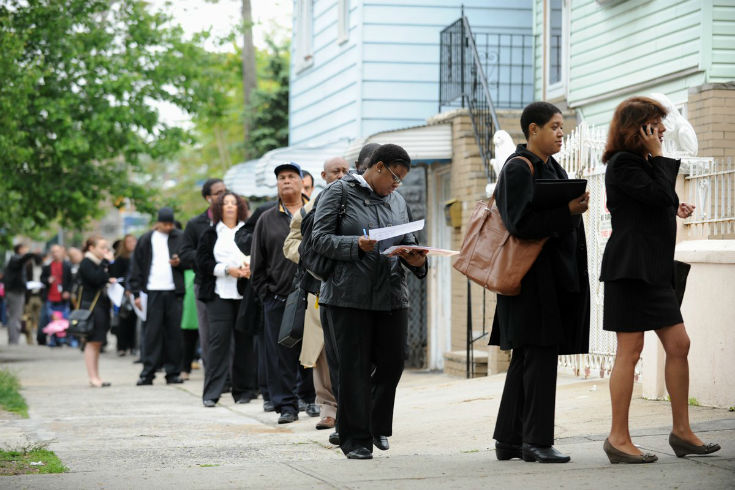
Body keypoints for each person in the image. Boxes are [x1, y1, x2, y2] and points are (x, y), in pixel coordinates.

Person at [599, 96, 720, 463]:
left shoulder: (643, 163)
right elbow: (655, 193)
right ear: (640, 129)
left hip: (653, 270)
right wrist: (662, 174)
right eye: (657, 124)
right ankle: (618, 438)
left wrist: (674, 205)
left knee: (679, 344)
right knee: (630, 350)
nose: (664, 130)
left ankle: (682, 432)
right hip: (630, 270)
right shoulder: (622, 164)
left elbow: (656, 199)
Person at [311, 144, 428, 460]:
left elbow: (408, 240)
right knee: (354, 369)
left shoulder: (397, 199)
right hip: (348, 296)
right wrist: (356, 245)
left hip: (391, 294)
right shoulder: (339, 193)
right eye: (395, 176)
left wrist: (416, 259)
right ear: (377, 167)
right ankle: (356, 439)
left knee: (393, 362)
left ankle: (374, 424)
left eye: (401, 179)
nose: (397, 184)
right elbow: (318, 240)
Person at [489, 102, 590, 464]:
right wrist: (567, 211)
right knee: (540, 358)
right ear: (533, 130)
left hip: (547, 279)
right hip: (530, 282)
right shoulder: (518, 168)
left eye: (563, 127)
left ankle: (510, 441)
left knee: (527, 360)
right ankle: (537, 442)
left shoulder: (551, 166)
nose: (561, 132)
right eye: (554, 126)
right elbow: (519, 223)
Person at [283, 156, 350, 432]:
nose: (342, 175)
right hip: (320, 290)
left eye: (346, 170)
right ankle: (328, 408)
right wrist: (313, 260)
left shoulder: (361, 201)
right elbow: (291, 244)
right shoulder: (311, 208)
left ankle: (353, 408)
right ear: (324, 175)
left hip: (353, 290)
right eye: (336, 171)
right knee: (323, 352)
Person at [251, 162, 316, 424]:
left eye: (291, 176)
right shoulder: (266, 218)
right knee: (280, 356)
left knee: (312, 351)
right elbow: (258, 262)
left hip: (313, 296)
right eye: (281, 178)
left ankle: (311, 399)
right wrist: (266, 292)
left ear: (302, 182)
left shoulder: (317, 211)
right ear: (276, 184)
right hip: (278, 298)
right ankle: (286, 406)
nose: (286, 181)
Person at [196, 191, 258, 406]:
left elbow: (261, 255)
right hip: (219, 293)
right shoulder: (211, 233)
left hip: (244, 293)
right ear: (219, 207)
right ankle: (211, 393)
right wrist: (225, 269)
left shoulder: (249, 231)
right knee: (218, 342)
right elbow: (202, 262)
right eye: (226, 203)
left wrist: (251, 268)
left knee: (244, 342)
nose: (230, 206)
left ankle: (243, 392)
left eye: (234, 203)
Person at [128, 207, 186, 386]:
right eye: (165, 224)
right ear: (158, 223)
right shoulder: (146, 239)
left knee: (174, 333)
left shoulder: (180, 237)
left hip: (173, 290)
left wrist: (180, 262)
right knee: (151, 333)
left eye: (171, 224)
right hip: (152, 290)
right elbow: (136, 266)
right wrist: (136, 292)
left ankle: (173, 372)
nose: (168, 227)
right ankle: (148, 372)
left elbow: (190, 259)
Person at [179, 178, 226, 370]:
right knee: (208, 333)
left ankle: (233, 377)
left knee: (230, 332)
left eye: (225, 191)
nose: (223, 196)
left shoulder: (238, 220)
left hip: (233, 282)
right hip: (206, 284)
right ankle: (213, 374)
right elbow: (184, 253)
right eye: (218, 193)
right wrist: (207, 258)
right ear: (208, 198)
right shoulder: (195, 224)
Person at [78, 235, 116, 387]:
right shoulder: (87, 262)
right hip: (92, 307)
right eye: (102, 247)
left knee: (98, 342)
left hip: (101, 305)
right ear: (91, 248)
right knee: (92, 341)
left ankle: (96, 376)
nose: (105, 251)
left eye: (106, 247)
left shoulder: (99, 263)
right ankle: (93, 377)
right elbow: (95, 278)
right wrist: (106, 263)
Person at [3, 244, 41, 345]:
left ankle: (14, 340)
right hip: (15, 291)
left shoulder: (15, 260)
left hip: (16, 291)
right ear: (20, 250)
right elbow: (22, 260)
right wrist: (32, 254)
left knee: (15, 316)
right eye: (25, 249)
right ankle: (13, 341)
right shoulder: (15, 259)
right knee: (15, 316)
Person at [39, 245, 73, 346]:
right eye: (53, 252)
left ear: (61, 252)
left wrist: (68, 291)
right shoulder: (47, 266)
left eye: (57, 251)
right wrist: (47, 280)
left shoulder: (67, 266)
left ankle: (64, 339)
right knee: (51, 320)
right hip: (50, 296)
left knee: (64, 319)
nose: (55, 254)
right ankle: (54, 340)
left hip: (62, 297)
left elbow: (71, 281)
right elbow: (42, 279)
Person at [111, 234, 137, 356]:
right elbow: (116, 276)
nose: (132, 244)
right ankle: (122, 346)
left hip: (135, 291)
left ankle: (133, 345)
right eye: (129, 242)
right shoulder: (121, 259)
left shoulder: (139, 257)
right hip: (123, 294)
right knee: (123, 320)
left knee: (134, 320)